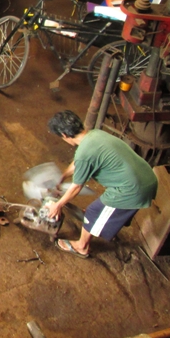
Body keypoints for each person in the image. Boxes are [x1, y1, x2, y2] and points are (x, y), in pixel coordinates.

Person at [45, 110, 158, 258]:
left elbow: (76, 186)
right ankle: (106, 220)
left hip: (133, 189)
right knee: (100, 209)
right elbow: (79, 162)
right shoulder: (95, 135)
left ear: (64, 136)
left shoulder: (84, 153)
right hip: (147, 177)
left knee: (93, 211)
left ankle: (81, 246)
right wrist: (63, 176)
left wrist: (57, 205)